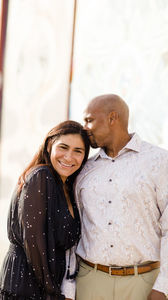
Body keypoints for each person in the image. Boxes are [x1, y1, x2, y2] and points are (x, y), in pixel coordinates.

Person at [74, 94, 168, 300]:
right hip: (91, 280)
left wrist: (163, 286)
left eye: (89, 120)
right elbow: (75, 230)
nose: (84, 127)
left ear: (112, 118)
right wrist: (69, 287)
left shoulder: (159, 161)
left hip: (143, 281)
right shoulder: (84, 169)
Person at [0, 120, 90, 300]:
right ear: (48, 146)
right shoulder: (41, 176)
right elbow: (35, 244)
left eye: (78, 151)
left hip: (47, 284)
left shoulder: (66, 187)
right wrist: (53, 293)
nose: (69, 157)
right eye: (63, 147)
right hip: (26, 286)